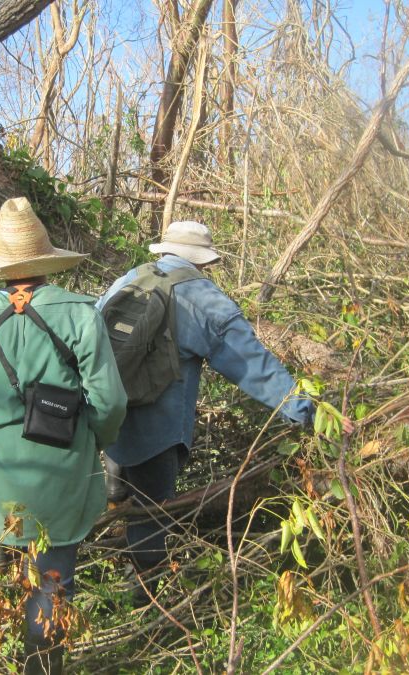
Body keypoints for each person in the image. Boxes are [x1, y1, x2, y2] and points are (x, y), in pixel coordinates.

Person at [98, 220, 352, 601]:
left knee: (121, 502)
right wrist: (313, 414)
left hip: (109, 421)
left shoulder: (130, 278)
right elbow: (254, 367)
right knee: (151, 518)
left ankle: (106, 571)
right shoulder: (205, 300)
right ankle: (145, 608)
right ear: (203, 261)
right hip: (158, 432)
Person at [0, 197, 127, 674]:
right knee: (51, 588)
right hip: (59, 481)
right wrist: (93, 441)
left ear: (1, 266)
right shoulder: (81, 315)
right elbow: (110, 403)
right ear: (44, 262)